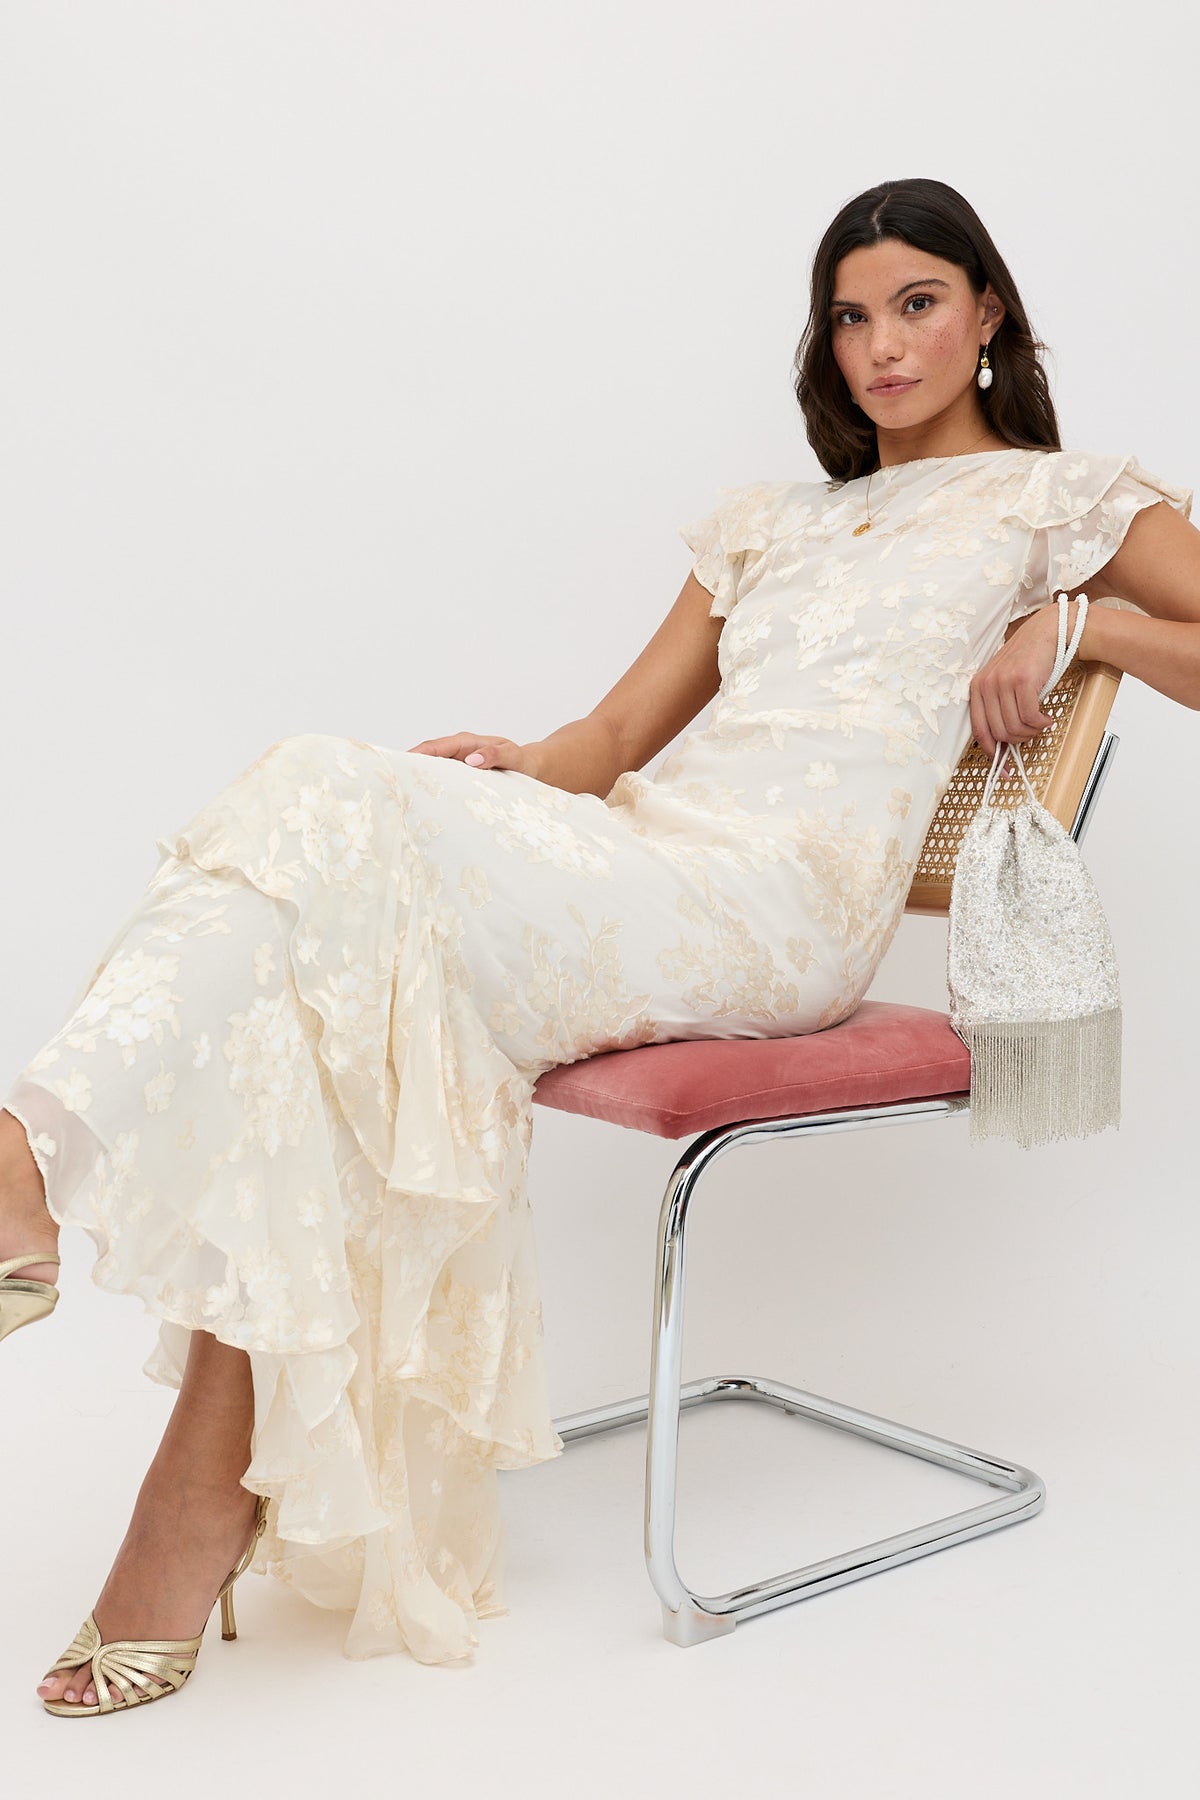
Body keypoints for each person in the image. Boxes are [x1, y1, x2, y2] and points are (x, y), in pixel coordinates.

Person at [5, 174, 1198, 1718]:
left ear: (987, 318)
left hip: (780, 913)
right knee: (331, 893)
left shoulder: (1064, 502)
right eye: (850, 315)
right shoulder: (770, 527)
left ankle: (34, 1169)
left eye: (916, 304)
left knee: (327, 837)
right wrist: (509, 775)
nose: (881, 346)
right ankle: (198, 1473)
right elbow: (623, 732)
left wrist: (1084, 625)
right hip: (642, 849)